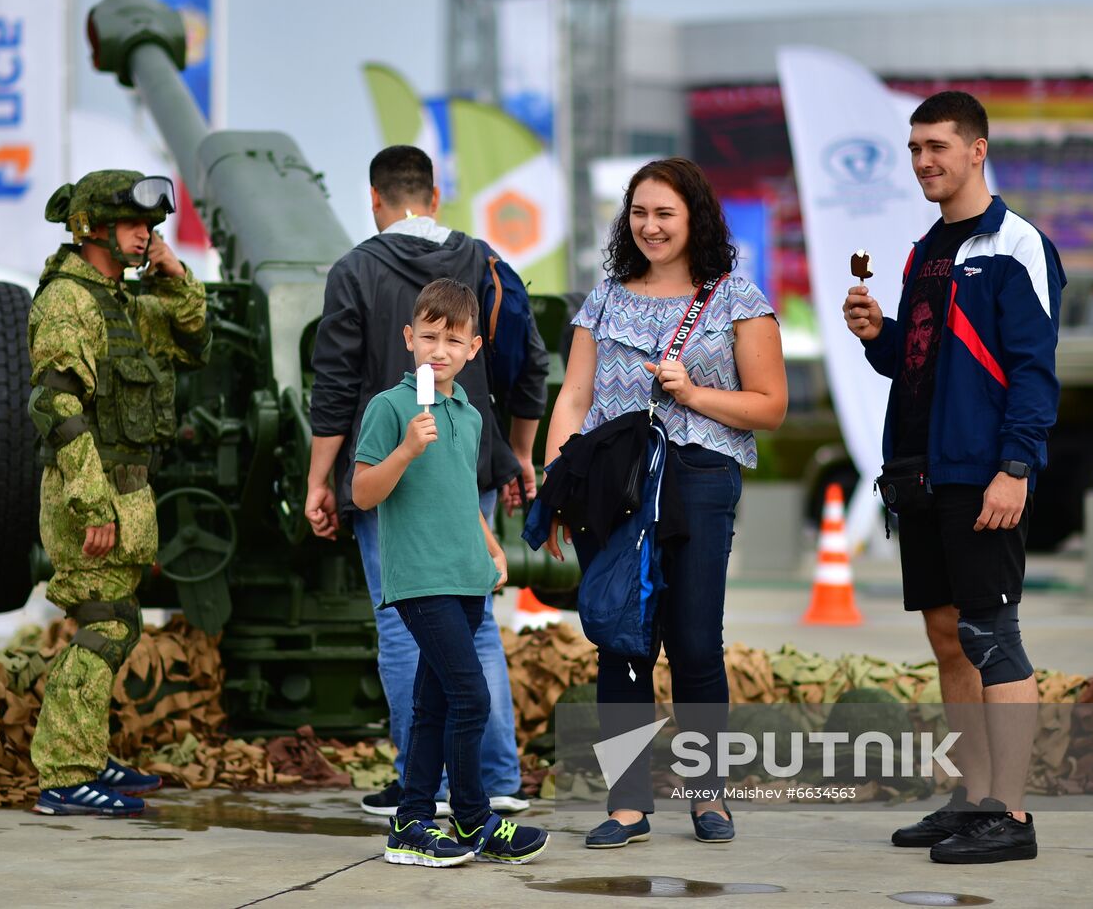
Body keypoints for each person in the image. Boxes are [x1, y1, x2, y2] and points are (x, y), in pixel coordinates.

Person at [843, 91, 1064, 864]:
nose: (923, 161)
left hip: (982, 473)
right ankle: (972, 799)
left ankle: (1013, 816)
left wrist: (1015, 468)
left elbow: (1035, 371)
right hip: (920, 473)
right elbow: (926, 361)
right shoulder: (925, 250)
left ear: (977, 149)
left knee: (991, 635)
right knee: (948, 639)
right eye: (914, 148)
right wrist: (881, 337)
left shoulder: (1016, 245)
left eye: (937, 146)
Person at [544, 157, 787, 847]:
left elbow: (770, 407)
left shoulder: (738, 299)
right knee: (621, 645)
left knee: (694, 645)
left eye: (665, 214)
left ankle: (710, 800)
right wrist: (560, 481)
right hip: (613, 489)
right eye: (640, 213)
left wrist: (694, 394)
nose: (650, 227)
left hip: (701, 481)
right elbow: (574, 396)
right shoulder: (606, 298)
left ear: (695, 220)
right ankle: (627, 806)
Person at [307, 145, 548, 816]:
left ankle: (426, 784)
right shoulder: (487, 263)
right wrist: (518, 455)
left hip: (386, 470)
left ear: (375, 200)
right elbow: (531, 363)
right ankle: (498, 779)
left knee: (402, 628)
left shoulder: (356, 268)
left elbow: (333, 384)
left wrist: (318, 480)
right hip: (467, 464)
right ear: (435, 197)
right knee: (475, 627)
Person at [28, 170, 210, 816]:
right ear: (94, 229)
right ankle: (63, 776)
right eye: (135, 227)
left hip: (125, 493)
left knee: (120, 623)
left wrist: (175, 275)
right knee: (103, 626)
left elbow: (193, 342)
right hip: (90, 497)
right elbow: (55, 403)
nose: (146, 237)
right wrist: (92, 504)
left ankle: (85, 752)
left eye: (152, 228)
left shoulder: (118, 301)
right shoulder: (68, 302)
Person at [353, 279, 549, 866]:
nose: (439, 350)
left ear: (473, 349)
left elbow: (465, 494)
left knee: (435, 705)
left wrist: (490, 546)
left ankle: (412, 822)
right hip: (420, 580)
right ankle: (471, 818)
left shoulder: (466, 409)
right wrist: (406, 451)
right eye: (429, 337)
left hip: (465, 576)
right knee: (471, 695)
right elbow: (363, 493)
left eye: (453, 340)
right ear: (410, 339)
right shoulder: (390, 408)